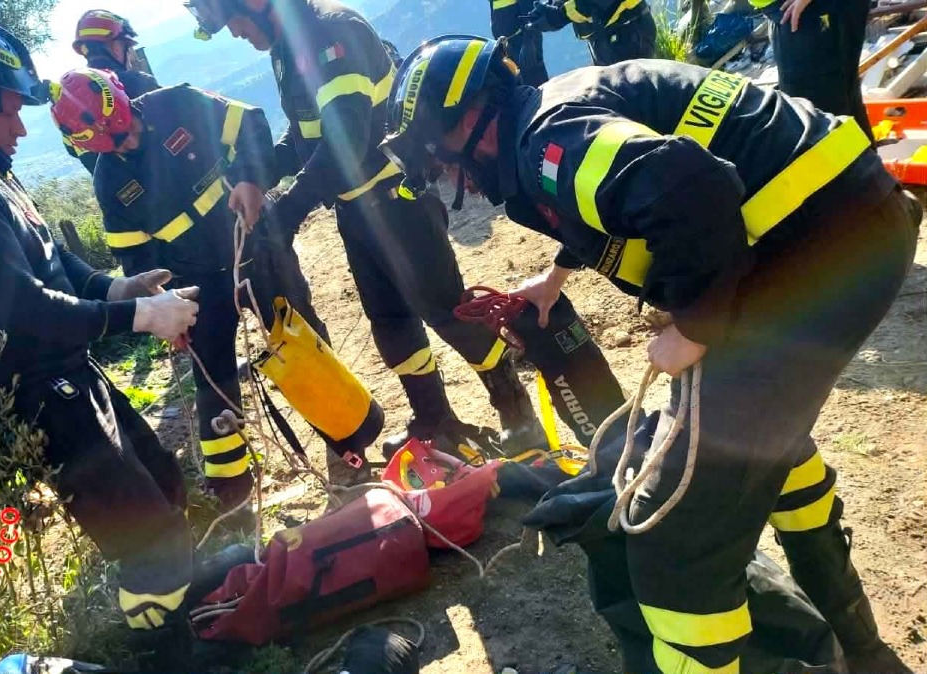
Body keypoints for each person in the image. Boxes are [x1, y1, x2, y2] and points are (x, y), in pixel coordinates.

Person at [380, 36, 917, 674]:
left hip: (814, 252)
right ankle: (866, 654)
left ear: (469, 120)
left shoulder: (546, 143)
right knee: (764, 446)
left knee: (675, 549)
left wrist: (695, 325)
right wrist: (555, 276)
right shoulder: (551, 114)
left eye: (440, 159)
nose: (451, 177)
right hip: (844, 224)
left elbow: (689, 187)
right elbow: (622, 188)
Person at [184, 0, 629, 462]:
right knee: (391, 324)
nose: (234, 35)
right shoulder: (285, 49)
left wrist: (290, 211)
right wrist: (255, 177)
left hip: (397, 200)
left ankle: (516, 413)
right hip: (355, 209)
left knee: (449, 312)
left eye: (231, 21)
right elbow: (307, 138)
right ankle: (436, 419)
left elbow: (347, 140)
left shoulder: (332, 33)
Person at [0, 19, 200, 645]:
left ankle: (186, 612)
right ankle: (170, 653)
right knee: (143, 533)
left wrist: (115, 289)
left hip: (63, 374)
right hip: (32, 394)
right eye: (10, 111)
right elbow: (23, 305)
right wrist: (140, 317)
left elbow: (51, 258)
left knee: (161, 484)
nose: (23, 128)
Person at [51, 68, 383, 505]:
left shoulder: (180, 103)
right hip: (196, 287)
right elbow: (136, 260)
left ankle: (348, 447)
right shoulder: (110, 183)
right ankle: (231, 494)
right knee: (214, 381)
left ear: (125, 103)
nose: (128, 145)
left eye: (128, 133)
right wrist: (162, 309)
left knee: (301, 347)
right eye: (114, 146)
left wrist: (249, 177)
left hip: (258, 248)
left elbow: (251, 124)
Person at [755, 0, 874, 141]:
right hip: (790, 12)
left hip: (811, 12)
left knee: (820, 113)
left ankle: (855, 160)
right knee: (819, 108)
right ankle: (863, 159)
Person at [64, 10, 162, 173]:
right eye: (127, 47)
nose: (131, 57)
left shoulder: (67, 109)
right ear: (114, 46)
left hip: (123, 196)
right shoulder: (137, 83)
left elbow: (75, 152)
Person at [524, 0, 657, 65]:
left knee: (634, 107)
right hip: (604, 37)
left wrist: (560, 15)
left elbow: (596, 5)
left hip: (628, 32)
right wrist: (548, 11)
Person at [490, 0, 549, 85]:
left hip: (522, 36)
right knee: (517, 77)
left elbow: (529, 8)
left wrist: (528, 37)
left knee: (532, 75)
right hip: (508, 41)